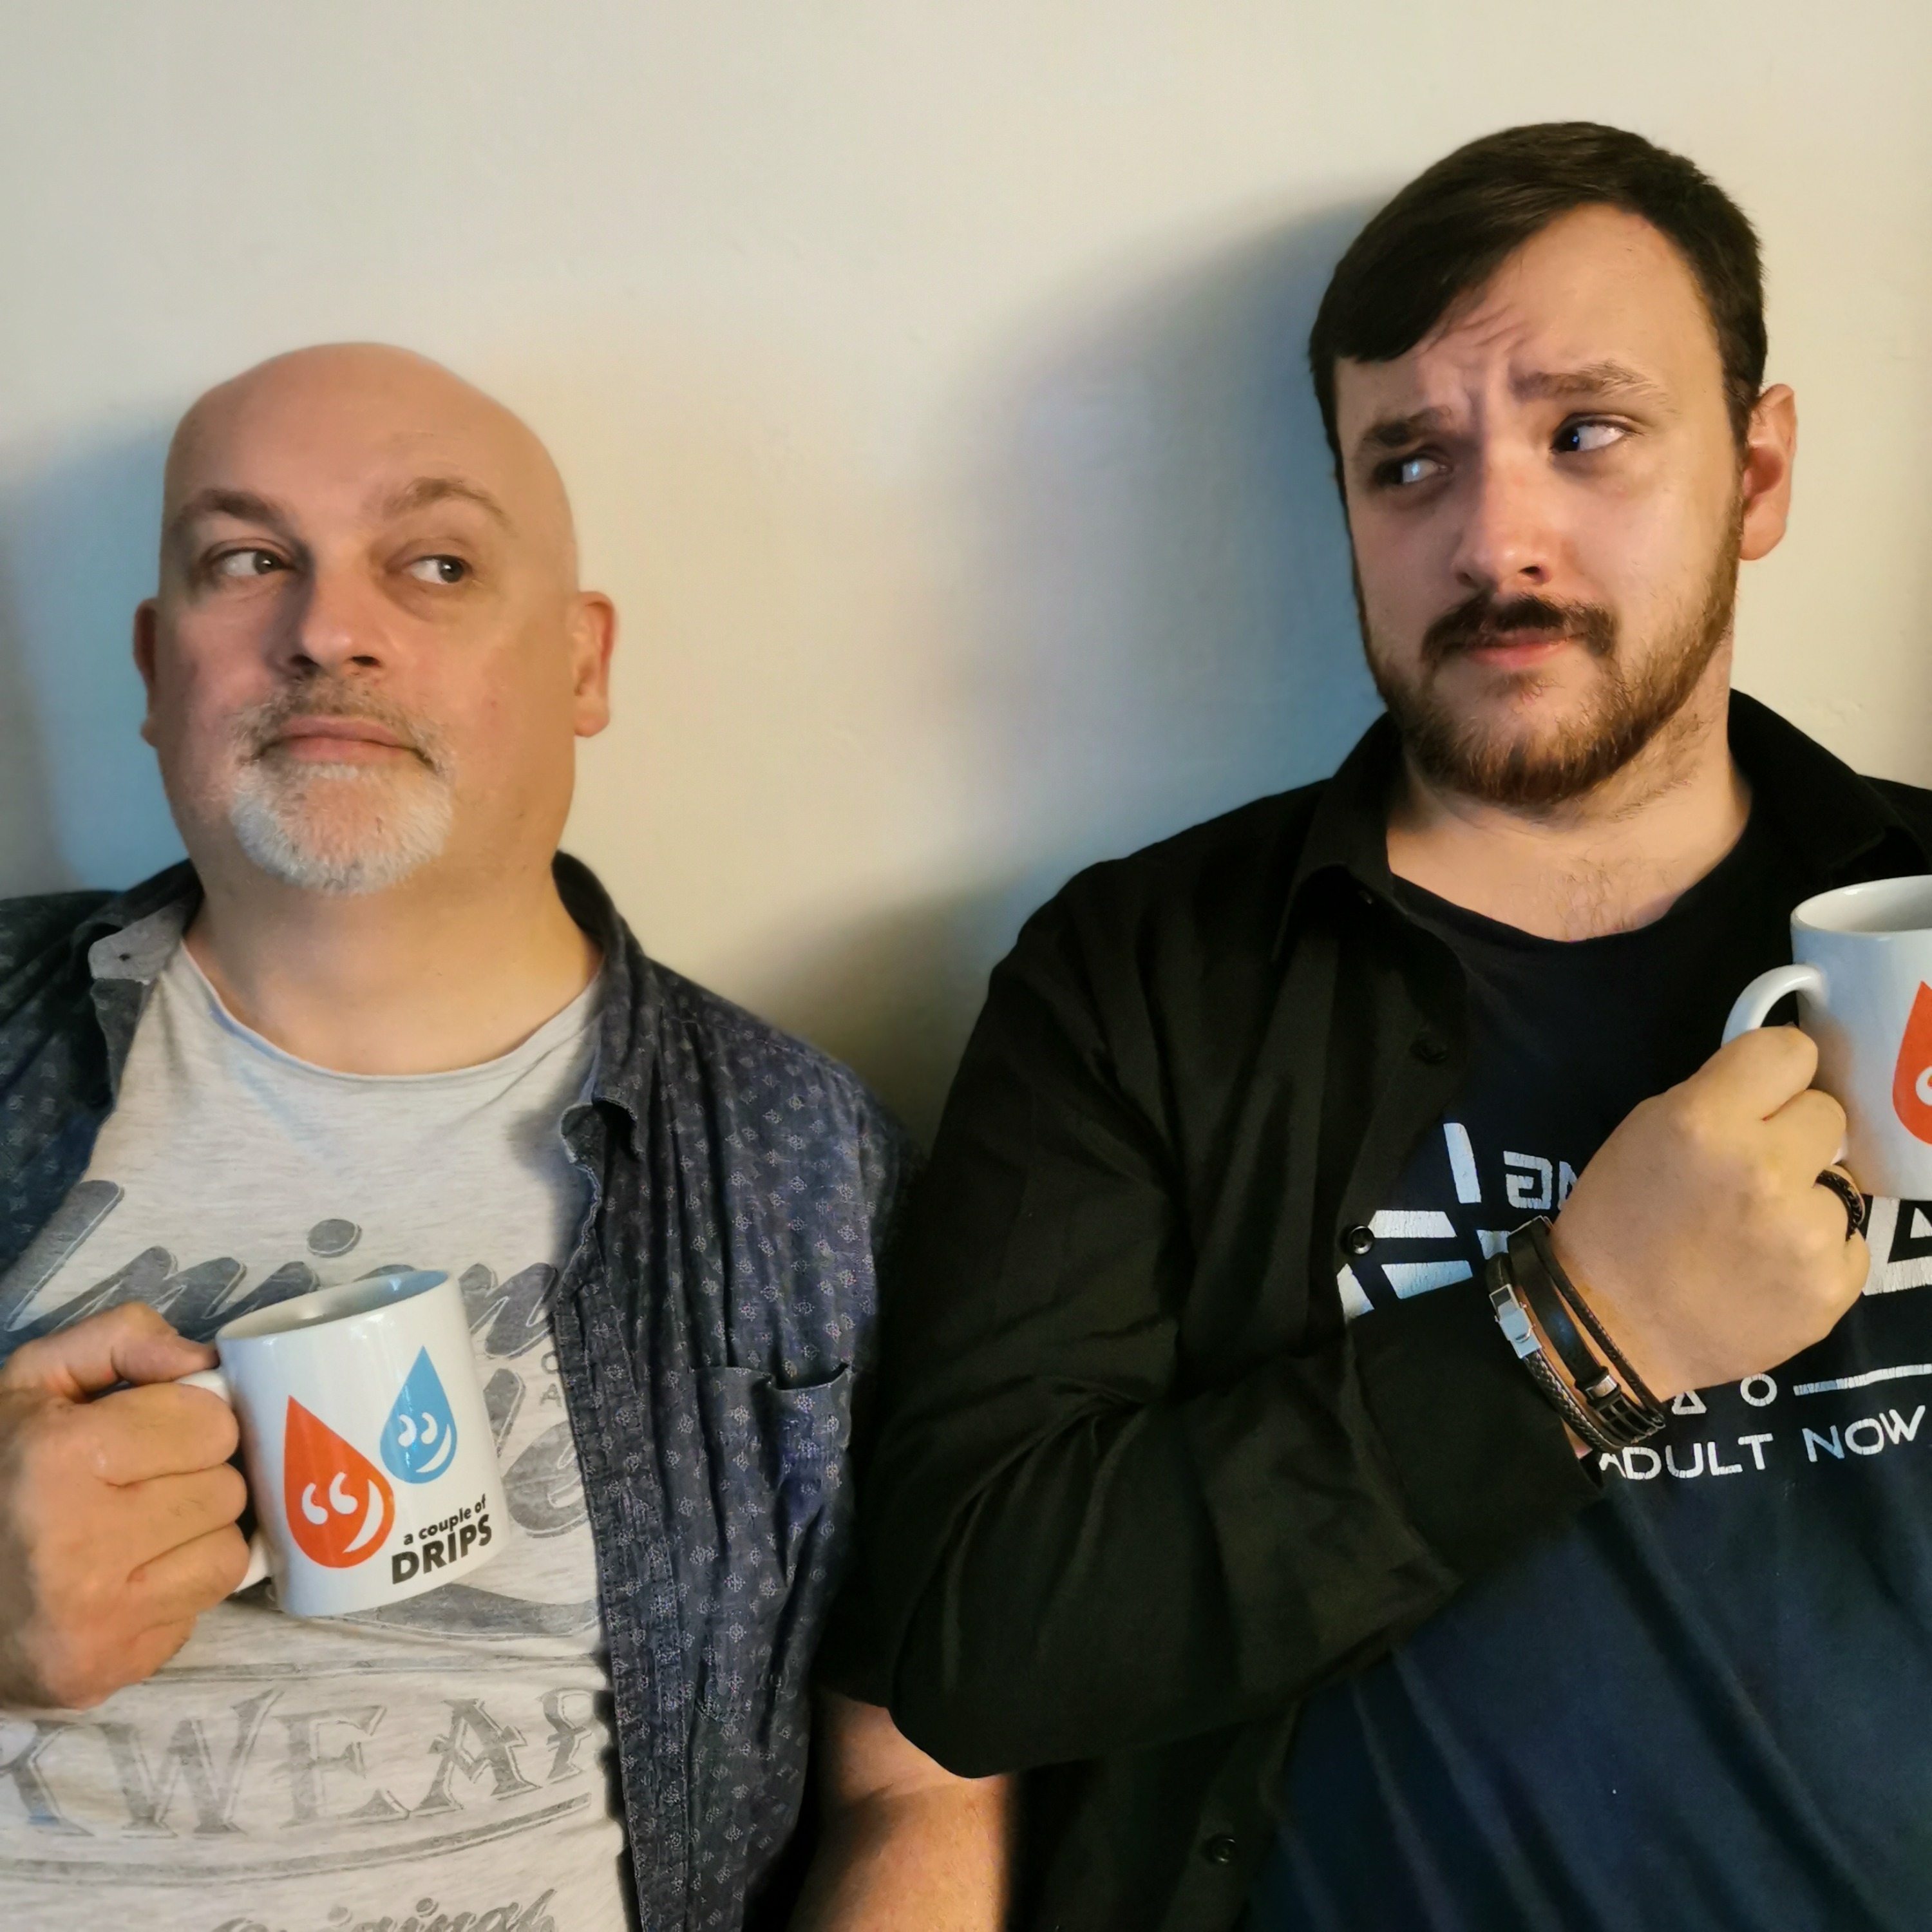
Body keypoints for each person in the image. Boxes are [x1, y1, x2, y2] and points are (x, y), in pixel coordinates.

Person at [830, 122, 1932, 1931]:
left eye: (1588, 432)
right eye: (1409, 463)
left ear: (1757, 472)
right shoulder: (1145, 980)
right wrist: (1578, 1335)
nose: (1494, 537)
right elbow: (974, 1632)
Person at [0, 344, 1007, 1931]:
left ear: (582, 663)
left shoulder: (810, 1167)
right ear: (152, 664)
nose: (326, 629)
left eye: (437, 564)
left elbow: (920, 1788)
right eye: (246, 560)